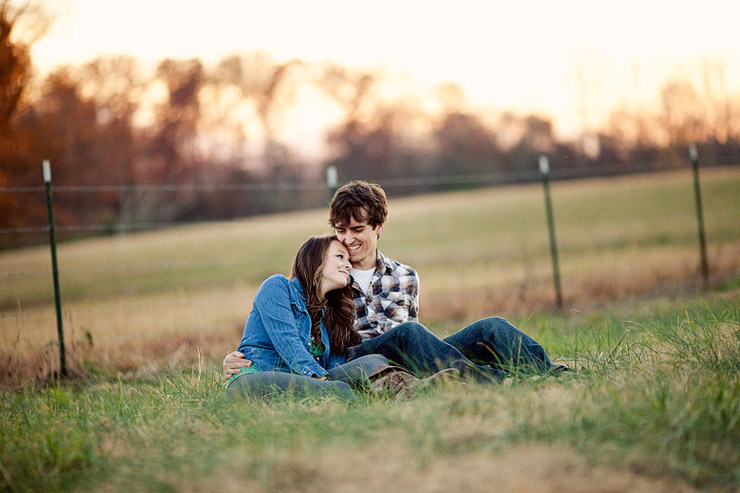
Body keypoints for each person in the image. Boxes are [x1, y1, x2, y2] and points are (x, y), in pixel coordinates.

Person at [225, 181, 567, 384]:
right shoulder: (328, 277)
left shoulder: (406, 277)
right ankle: (490, 380)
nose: (347, 240)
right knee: (410, 334)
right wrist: (245, 360)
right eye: (341, 231)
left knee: (488, 327)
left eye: (357, 230)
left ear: (378, 228)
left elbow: (417, 337)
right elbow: (291, 332)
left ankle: (550, 373)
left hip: (410, 351)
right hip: (359, 359)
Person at [225, 235, 391, 400]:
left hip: (306, 383)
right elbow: (287, 341)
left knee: (374, 361)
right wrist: (323, 380)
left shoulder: (331, 314)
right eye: (340, 256)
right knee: (339, 390)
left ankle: (410, 393)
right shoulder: (277, 287)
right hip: (254, 379)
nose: (348, 265)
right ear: (315, 259)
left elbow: (333, 366)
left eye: (349, 260)